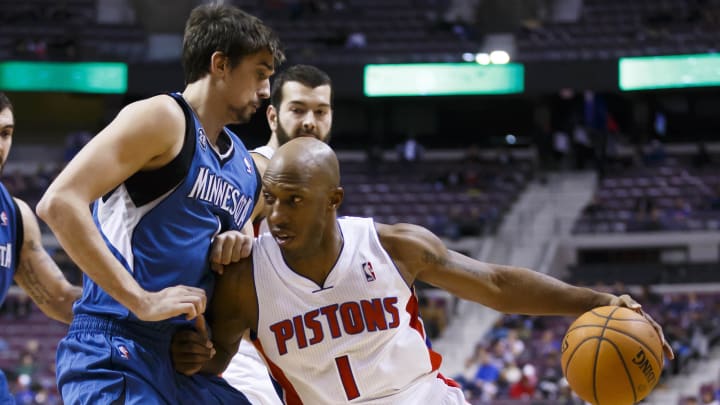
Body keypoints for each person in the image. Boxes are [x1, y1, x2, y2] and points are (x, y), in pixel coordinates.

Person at [173, 138, 674, 404]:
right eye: (273, 199)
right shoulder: (245, 278)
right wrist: (196, 353)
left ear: (334, 201)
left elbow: (497, 286)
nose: (278, 215)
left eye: (295, 201)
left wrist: (595, 301)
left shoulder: (393, 246)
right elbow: (218, 363)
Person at [35, 4, 284, 404]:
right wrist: (142, 301)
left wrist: (203, 341)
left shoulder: (245, 169)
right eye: (259, 73)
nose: (266, 90)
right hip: (113, 344)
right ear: (220, 64)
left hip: (176, 361)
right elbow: (59, 203)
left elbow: (208, 275)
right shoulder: (165, 118)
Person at [221, 64, 333, 405]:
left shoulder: (316, 181)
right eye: (297, 110)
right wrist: (236, 229)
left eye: (320, 111)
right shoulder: (260, 167)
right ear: (272, 116)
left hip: (290, 346)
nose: (310, 121)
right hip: (241, 348)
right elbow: (227, 229)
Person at [0, 92, 82, 402]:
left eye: (5, 133)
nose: (0, 146)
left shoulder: (15, 215)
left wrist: (146, 309)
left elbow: (59, 298)